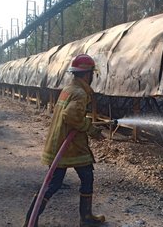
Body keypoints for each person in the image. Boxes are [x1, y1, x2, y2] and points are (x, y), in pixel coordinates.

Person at [28, 54, 105, 227]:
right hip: (69, 147)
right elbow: (71, 115)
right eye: (92, 74)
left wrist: (86, 124)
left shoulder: (69, 89)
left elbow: (71, 115)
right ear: (87, 74)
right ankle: (32, 220)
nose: (92, 77)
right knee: (55, 183)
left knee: (80, 178)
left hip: (64, 144)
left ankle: (85, 217)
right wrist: (92, 130)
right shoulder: (79, 93)